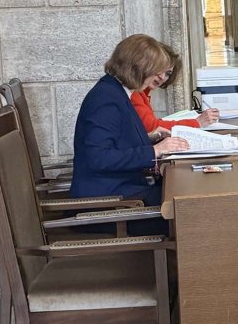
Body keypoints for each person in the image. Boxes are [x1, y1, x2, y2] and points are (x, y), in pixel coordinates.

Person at [70, 34, 190, 207]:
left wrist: (149, 138)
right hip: (110, 199)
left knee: (183, 191)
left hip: (122, 188)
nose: (158, 77)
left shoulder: (115, 91)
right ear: (138, 67)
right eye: (155, 70)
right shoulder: (106, 98)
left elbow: (115, 141)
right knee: (186, 202)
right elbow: (98, 158)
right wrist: (154, 151)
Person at [130, 42, 219, 133]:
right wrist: (197, 122)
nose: (162, 77)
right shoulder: (133, 91)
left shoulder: (141, 92)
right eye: (159, 68)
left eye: (168, 73)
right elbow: (151, 127)